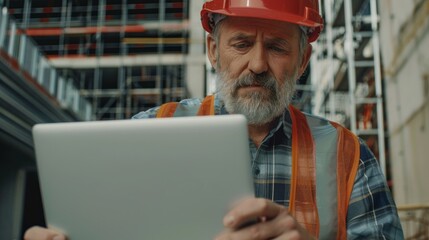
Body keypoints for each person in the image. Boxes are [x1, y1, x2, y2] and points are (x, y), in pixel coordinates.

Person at [25, 0, 404, 239]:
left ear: (302, 61)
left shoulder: (347, 156)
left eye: (276, 47)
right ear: (212, 50)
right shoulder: (151, 131)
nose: (257, 65)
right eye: (241, 44)